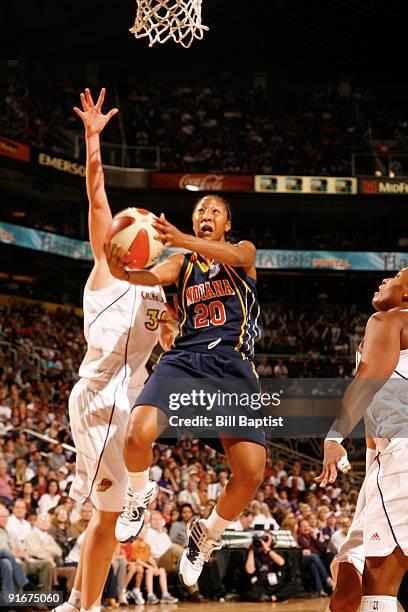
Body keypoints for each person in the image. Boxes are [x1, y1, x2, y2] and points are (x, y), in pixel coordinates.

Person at [53, 87, 174, 612]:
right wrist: (93, 139)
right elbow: (97, 197)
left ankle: (82, 602)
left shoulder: (158, 284)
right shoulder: (106, 267)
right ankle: (87, 606)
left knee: (105, 516)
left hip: (132, 399)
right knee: (107, 513)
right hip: (100, 398)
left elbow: (168, 337)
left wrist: (172, 335)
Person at [106, 192, 266, 587]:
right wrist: (123, 273)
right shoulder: (181, 261)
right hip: (185, 358)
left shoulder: (243, 252)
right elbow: (153, 276)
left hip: (231, 365)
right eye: (200, 211)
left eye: (214, 210)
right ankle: (139, 495)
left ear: (227, 224)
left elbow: (236, 257)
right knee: (136, 435)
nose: (206, 214)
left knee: (250, 473)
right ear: (194, 222)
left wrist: (179, 237)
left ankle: (207, 533)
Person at [317, 269, 408, 611]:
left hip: (402, 453)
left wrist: (335, 435)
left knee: (378, 584)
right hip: (386, 457)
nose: (384, 280)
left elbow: (368, 381)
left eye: (397, 277)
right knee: (357, 576)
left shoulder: (388, 319)